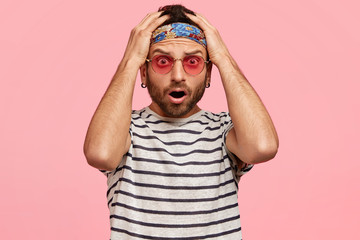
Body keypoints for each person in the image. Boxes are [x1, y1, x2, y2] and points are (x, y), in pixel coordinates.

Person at [83, 4, 279, 240]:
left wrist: (223, 58)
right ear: (144, 73)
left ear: (208, 74)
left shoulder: (225, 131)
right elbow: (100, 154)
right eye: (162, 62)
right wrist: (130, 59)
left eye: (193, 62)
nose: (177, 76)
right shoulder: (124, 130)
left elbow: (262, 147)